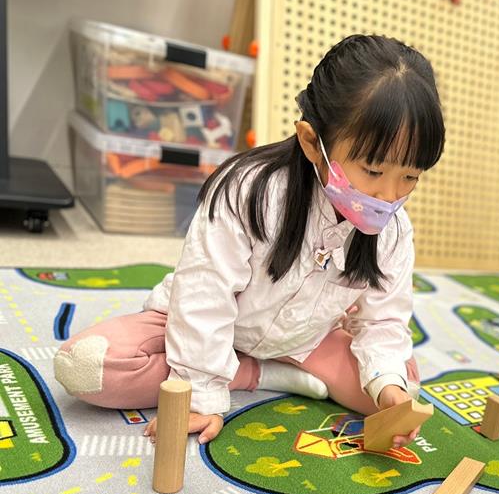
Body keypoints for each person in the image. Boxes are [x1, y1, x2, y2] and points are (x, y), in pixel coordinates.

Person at [54, 34, 444, 448]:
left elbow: (384, 321)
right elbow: (205, 295)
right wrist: (200, 392)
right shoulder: (249, 191)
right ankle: (253, 373)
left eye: (410, 176)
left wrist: (388, 387)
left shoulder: (393, 231)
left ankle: (279, 369)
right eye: (373, 171)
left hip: (304, 340)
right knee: (91, 366)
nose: (389, 195)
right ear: (312, 142)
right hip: (209, 327)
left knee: (401, 385)